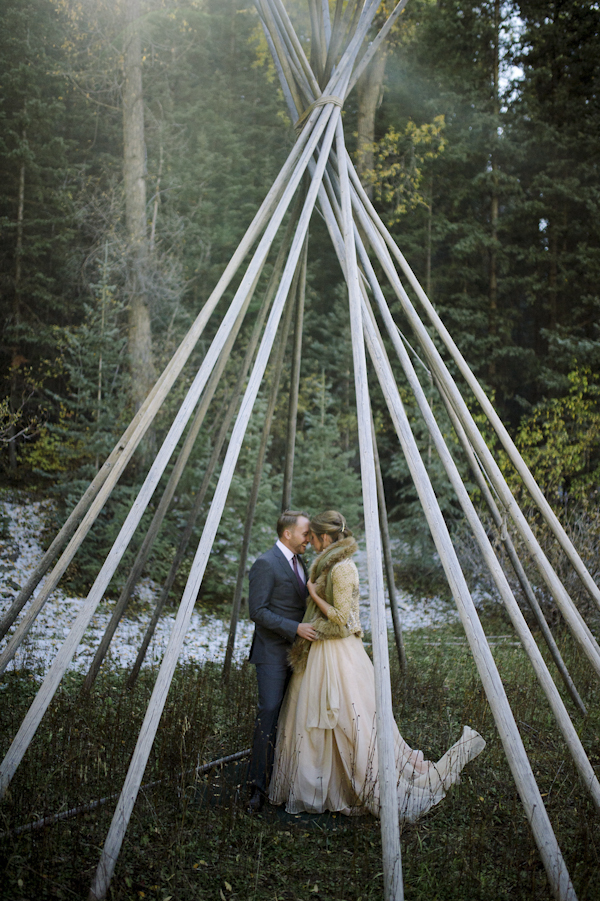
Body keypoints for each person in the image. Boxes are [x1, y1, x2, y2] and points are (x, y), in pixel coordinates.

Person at [269, 510, 486, 821]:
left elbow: (342, 619)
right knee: (318, 721)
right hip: (323, 651)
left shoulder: (342, 569)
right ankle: (323, 783)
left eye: (315, 537)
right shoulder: (330, 565)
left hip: (338, 651)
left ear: (327, 537)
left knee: (347, 720)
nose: (312, 542)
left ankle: (350, 783)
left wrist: (314, 594)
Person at [246, 510, 317, 813]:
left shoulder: (300, 563)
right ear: (287, 533)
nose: (309, 540)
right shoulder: (265, 563)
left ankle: (284, 780)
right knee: (270, 711)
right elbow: (258, 611)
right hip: (272, 654)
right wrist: (295, 628)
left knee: (293, 716)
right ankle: (255, 787)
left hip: (297, 653)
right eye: (305, 534)